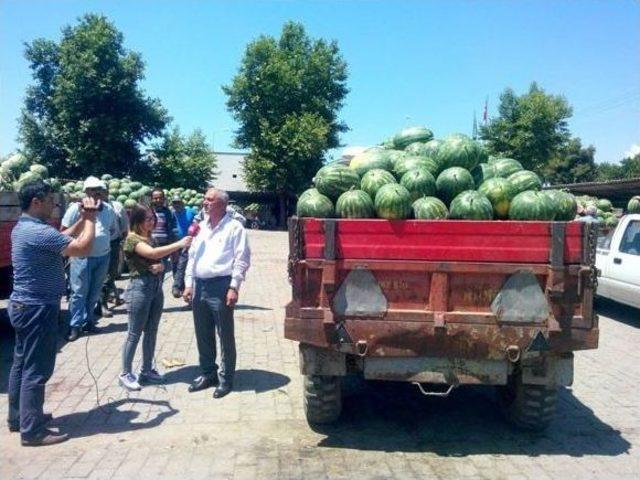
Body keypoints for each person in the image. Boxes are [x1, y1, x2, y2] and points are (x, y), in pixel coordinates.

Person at [8, 180, 97, 446]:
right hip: (38, 308)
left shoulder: (25, 228)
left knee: (22, 364)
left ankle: (19, 418)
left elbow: (64, 235)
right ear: (36, 202)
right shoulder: (39, 233)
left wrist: (82, 220)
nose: (53, 204)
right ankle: (32, 431)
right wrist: (92, 220)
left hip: (24, 305)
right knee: (37, 369)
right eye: (49, 200)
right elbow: (82, 249)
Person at [183, 188, 250, 399]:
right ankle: (207, 373)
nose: (205, 203)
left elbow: (242, 258)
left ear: (222, 204)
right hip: (199, 285)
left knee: (225, 334)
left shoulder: (234, 228)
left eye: (210, 200)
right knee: (203, 333)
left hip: (221, 286)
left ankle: (226, 378)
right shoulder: (200, 227)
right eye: (204, 199)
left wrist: (234, 286)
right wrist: (188, 284)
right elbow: (192, 257)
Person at [118, 205, 192, 391]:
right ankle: (125, 373)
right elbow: (151, 254)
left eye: (153, 218)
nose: (152, 222)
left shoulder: (150, 238)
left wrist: (161, 267)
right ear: (137, 221)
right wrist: (179, 244)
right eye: (147, 219)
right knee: (134, 332)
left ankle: (147, 370)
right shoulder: (132, 238)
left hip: (155, 288)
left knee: (151, 331)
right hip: (139, 288)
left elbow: (157, 260)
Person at [61, 177, 118, 341]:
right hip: (82, 258)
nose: (96, 192)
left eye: (99, 189)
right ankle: (75, 326)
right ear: (85, 192)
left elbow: (112, 230)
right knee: (79, 292)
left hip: (103, 256)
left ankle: (89, 321)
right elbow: (63, 232)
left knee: (94, 291)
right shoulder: (75, 209)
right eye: (92, 189)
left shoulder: (108, 208)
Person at [98, 189, 129, 317]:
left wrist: (122, 241)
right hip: (95, 245)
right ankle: (99, 305)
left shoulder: (116, 206)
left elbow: (124, 226)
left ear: (108, 192)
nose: (100, 194)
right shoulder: (90, 206)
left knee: (110, 274)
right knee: (97, 276)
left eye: (103, 192)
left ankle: (102, 304)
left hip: (113, 243)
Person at [170, 196, 195, 298]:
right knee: (175, 265)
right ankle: (182, 287)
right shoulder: (171, 213)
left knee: (182, 263)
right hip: (175, 243)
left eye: (178, 203)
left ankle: (176, 287)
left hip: (188, 243)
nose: (176, 205)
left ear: (183, 203)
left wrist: (192, 239)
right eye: (174, 203)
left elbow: (197, 224)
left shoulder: (191, 212)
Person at [150, 188, 176, 275]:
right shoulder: (147, 211)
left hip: (163, 246)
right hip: (149, 246)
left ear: (164, 199)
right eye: (155, 198)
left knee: (161, 272)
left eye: (160, 198)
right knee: (149, 272)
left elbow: (171, 229)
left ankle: (158, 288)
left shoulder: (168, 212)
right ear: (151, 199)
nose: (158, 200)